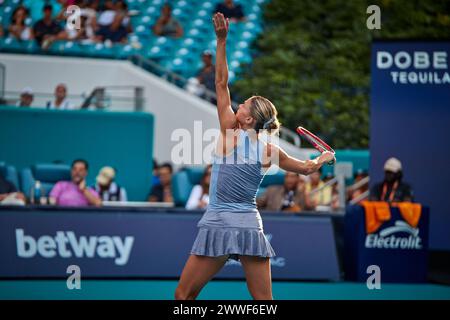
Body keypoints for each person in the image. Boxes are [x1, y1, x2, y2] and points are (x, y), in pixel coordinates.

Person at [175, 13, 335, 301]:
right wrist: (323, 158)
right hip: (249, 224)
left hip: (219, 222)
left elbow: (221, 83)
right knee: (264, 303)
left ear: (248, 120)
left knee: (184, 297)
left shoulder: (229, 132)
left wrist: (221, 41)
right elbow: (307, 168)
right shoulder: (271, 150)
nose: (239, 104)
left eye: (244, 105)